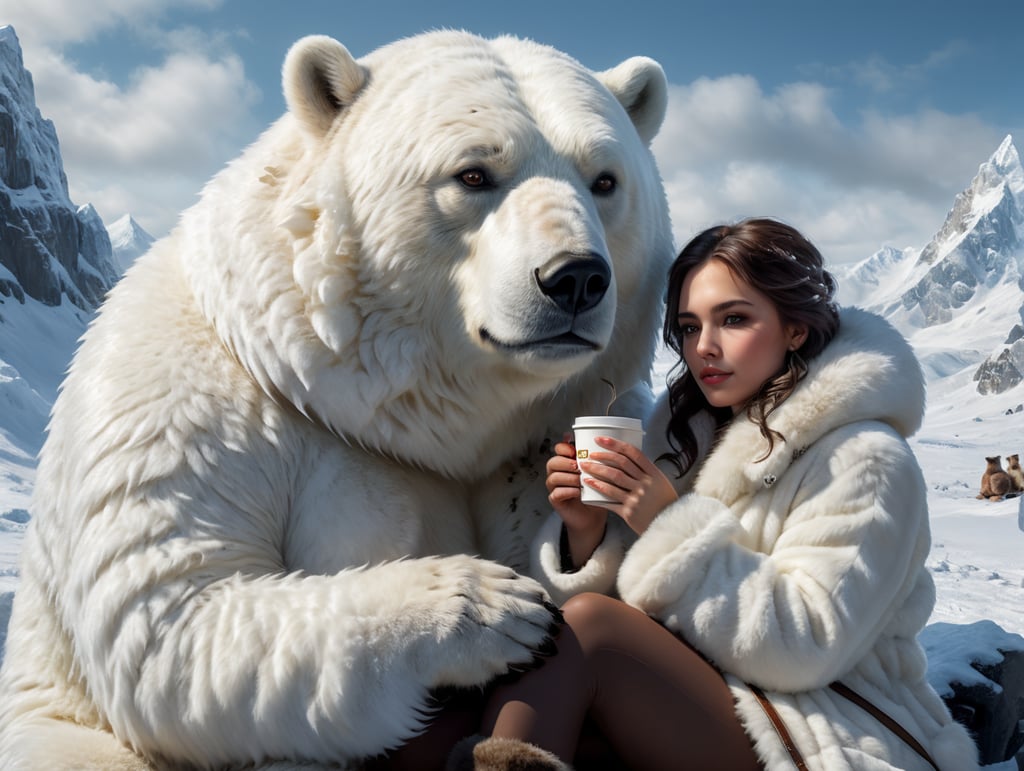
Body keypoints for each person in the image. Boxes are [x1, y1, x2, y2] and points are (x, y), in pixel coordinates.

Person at [445, 218, 980, 770]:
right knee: (451, 721)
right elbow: (647, 612)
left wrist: (668, 524)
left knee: (589, 630)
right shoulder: (685, 438)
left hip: (831, 727)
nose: (704, 346)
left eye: (734, 319)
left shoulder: (864, 459)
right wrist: (588, 533)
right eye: (688, 326)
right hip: (716, 699)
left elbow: (806, 647)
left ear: (795, 328)